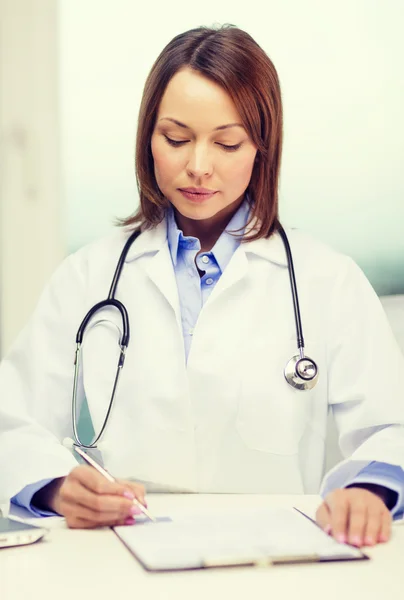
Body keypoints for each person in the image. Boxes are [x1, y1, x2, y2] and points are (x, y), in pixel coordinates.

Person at [0, 25, 403, 546]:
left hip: (276, 562)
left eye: (227, 142)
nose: (197, 166)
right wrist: (55, 488)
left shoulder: (329, 282)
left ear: (262, 145)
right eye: (176, 138)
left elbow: (390, 429)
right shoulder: (87, 278)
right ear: (148, 138)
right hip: (113, 559)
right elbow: (12, 421)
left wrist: (369, 491)